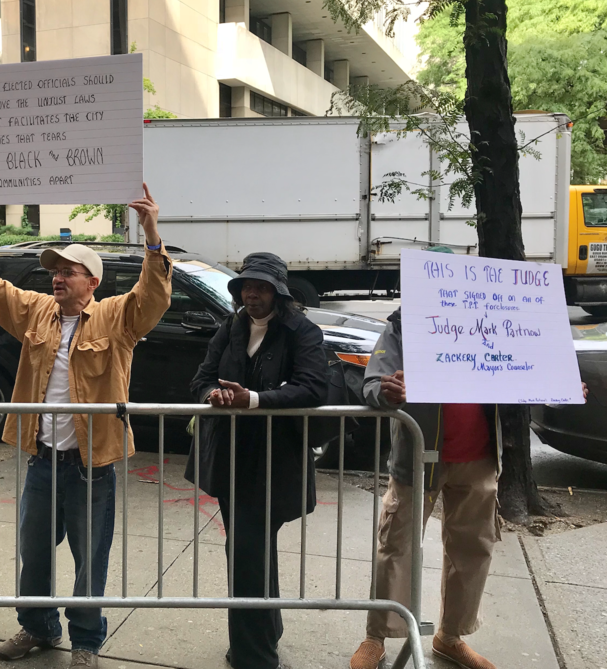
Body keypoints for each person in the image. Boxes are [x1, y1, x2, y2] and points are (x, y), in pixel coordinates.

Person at [0, 184, 171, 669]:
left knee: (90, 562)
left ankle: (86, 642)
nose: (57, 278)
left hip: (92, 468)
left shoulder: (117, 318)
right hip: (42, 463)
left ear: (92, 281)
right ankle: (38, 628)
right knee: (34, 555)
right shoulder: (36, 311)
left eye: (67, 272)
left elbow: (153, 294)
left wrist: (152, 233)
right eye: (54, 271)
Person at [347, 308, 514, 669]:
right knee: (397, 546)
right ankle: (376, 637)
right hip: (418, 457)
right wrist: (386, 392)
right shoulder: (403, 325)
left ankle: (449, 637)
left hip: (479, 457)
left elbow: (523, 368)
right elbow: (374, 382)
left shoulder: (494, 315)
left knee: (472, 550)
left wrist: (558, 384)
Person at [185, 252, 329, 669]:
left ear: (279, 292)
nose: (252, 293)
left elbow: (313, 387)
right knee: (250, 552)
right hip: (231, 460)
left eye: (261, 287)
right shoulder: (231, 327)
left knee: (248, 554)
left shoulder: (301, 330)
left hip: (275, 463)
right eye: (247, 286)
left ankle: (255, 656)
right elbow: (201, 378)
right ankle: (264, 634)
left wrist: (255, 400)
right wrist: (212, 395)